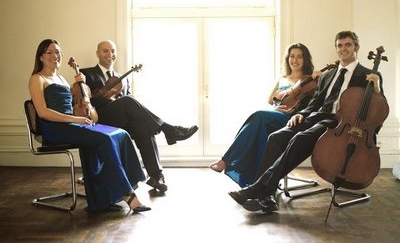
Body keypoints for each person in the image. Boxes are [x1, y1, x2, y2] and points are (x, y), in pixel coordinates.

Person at [228, 31, 385, 213]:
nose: (344, 49)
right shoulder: (329, 75)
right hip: (316, 116)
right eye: (340, 45)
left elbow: (379, 107)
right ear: (336, 48)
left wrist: (377, 89)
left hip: (339, 122)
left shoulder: (368, 75)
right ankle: (267, 194)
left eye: (348, 45)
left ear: (356, 47)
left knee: (300, 139)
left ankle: (258, 189)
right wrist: (301, 113)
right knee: (276, 138)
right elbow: (315, 103)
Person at [29, 39, 151, 213]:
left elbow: (71, 106)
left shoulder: (62, 78)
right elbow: (43, 112)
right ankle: (127, 194)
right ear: (41, 57)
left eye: (57, 52)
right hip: (53, 129)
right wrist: (76, 120)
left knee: (120, 133)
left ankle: (103, 198)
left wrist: (82, 87)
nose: (55, 56)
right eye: (49, 52)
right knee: (103, 139)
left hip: (70, 123)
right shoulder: (37, 78)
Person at [81, 39, 198, 192]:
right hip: (101, 119)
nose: (110, 54)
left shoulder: (122, 77)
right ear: (97, 53)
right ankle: (169, 130)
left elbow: (131, 107)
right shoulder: (86, 73)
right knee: (129, 100)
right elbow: (85, 101)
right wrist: (106, 95)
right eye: (105, 51)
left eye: (112, 51)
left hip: (121, 121)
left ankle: (156, 176)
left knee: (143, 126)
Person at [209, 43, 318, 187]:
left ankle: (226, 160)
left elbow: (312, 104)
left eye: (299, 57)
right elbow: (270, 99)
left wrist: (318, 76)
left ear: (305, 60)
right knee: (259, 130)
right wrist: (282, 101)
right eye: (292, 56)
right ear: (288, 59)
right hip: (274, 116)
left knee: (258, 115)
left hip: (290, 119)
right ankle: (255, 183)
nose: (295, 60)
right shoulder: (282, 79)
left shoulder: (309, 79)